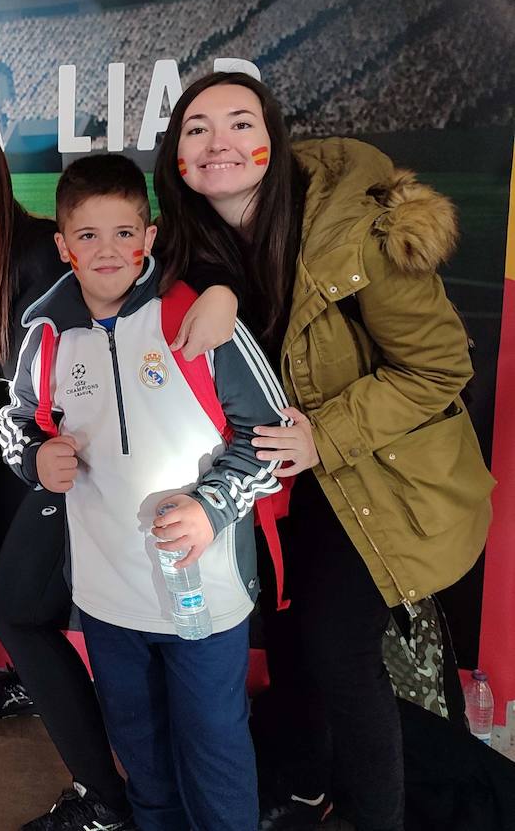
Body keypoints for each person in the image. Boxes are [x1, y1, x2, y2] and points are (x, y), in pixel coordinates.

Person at [152, 71, 494, 831]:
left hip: (381, 474)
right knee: (293, 635)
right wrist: (218, 287)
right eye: (197, 130)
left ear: (273, 137)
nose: (219, 144)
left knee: (336, 647)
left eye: (240, 123)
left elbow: (441, 368)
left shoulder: (359, 233)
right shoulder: (198, 240)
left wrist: (325, 434)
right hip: (289, 481)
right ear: (176, 158)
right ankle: (306, 786)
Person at [0, 121, 233, 831]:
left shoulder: (38, 254)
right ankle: (106, 782)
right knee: (24, 611)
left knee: (21, 612)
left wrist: (221, 293)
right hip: (46, 461)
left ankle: (106, 796)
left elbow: (147, 275)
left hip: (94, 473)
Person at [2, 153, 288, 831]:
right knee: (144, 760)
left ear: (151, 237)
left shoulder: (198, 318)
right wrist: (36, 460)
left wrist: (211, 506)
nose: (109, 250)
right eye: (89, 235)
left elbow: (271, 438)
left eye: (125, 232)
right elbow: (14, 423)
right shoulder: (43, 336)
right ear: (62, 245)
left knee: (215, 755)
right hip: (106, 601)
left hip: (205, 602)